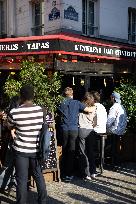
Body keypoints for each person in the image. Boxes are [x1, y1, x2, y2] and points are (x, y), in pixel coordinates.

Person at [7, 84, 47, 204]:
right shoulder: (41, 110)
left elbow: (9, 125)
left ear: (21, 96)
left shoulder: (15, 111)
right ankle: (43, 201)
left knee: (22, 180)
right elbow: (42, 125)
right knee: (38, 176)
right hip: (35, 150)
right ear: (33, 96)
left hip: (20, 150)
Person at [58, 87, 95, 181]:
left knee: (65, 150)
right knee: (72, 151)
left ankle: (62, 173)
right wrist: (96, 105)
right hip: (74, 129)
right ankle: (69, 174)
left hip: (64, 129)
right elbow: (89, 110)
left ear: (64, 94)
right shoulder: (76, 103)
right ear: (72, 94)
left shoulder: (60, 103)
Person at [0, 96, 20, 193]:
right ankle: (8, 184)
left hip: (11, 142)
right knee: (15, 165)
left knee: (8, 164)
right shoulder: (20, 112)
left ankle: (4, 185)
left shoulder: (11, 113)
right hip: (18, 143)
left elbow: (6, 127)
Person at [78, 92, 97, 180]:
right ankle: (93, 172)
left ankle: (86, 174)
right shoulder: (94, 107)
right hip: (90, 130)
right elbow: (95, 121)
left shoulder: (80, 107)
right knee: (91, 152)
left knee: (83, 152)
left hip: (82, 129)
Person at [106, 91, 127, 165]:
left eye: (111, 97)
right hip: (121, 130)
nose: (110, 98)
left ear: (113, 98)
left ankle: (105, 158)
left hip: (114, 131)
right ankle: (115, 160)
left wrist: (105, 128)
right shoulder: (122, 107)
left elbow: (109, 121)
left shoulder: (114, 107)